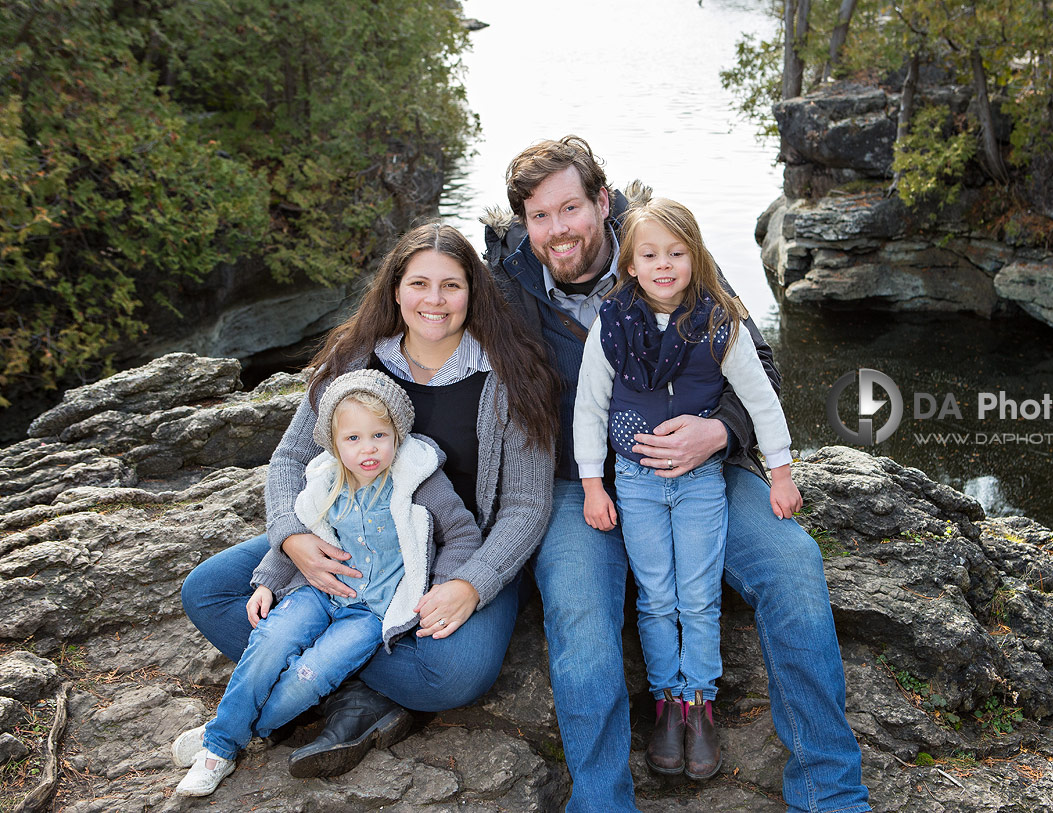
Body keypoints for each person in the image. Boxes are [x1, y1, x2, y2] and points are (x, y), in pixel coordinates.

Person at [483, 136, 870, 813]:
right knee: (579, 610)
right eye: (539, 216)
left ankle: (830, 792)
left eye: (570, 208)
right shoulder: (507, 287)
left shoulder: (667, 247)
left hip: (704, 470)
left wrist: (719, 430)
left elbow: (760, 366)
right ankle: (603, 802)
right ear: (523, 222)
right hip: (587, 485)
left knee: (792, 566)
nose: (558, 230)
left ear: (602, 202)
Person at [180, 223, 558, 779]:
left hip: (455, 552)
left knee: (456, 675)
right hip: (350, 538)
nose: (434, 300)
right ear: (395, 290)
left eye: (451, 286)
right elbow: (288, 461)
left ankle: (320, 683)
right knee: (208, 592)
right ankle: (349, 688)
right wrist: (293, 537)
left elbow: (526, 507)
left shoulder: (512, 373)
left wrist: (471, 583)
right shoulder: (355, 360)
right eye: (419, 284)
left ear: (473, 293)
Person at [572, 197, 803, 781]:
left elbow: (760, 398)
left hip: (701, 481)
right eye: (649, 254)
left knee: (697, 596)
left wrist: (780, 474)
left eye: (677, 253)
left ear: (696, 260)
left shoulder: (720, 322)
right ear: (630, 265)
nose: (664, 265)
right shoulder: (612, 323)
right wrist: (593, 485)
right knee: (654, 596)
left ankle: (699, 703)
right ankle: (666, 703)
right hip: (636, 482)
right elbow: (590, 408)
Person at [173, 370, 484, 796]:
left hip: (369, 613)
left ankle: (223, 737)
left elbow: (463, 533)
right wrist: (267, 581)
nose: (368, 449)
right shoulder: (326, 478)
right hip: (318, 593)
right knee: (268, 644)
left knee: (310, 674)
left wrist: (444, 585)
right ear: (334, 443)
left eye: (379, 435)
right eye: (353, 439)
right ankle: (222, 744)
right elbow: (299, 532)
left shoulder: (419, 482)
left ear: (399, 433)